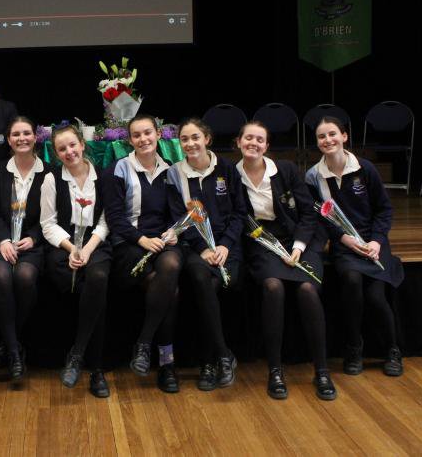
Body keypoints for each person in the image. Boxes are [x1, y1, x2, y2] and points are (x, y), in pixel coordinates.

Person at [235, 122, 335, 400]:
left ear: (266, 146)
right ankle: (275, 370)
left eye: (259, 139)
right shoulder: (233, 176)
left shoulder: (287, 170)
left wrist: (300, 247)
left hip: (298, 240)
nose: (253, 143)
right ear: (238, 143)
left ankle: (322, 371)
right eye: (248, 138)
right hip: (262, 243)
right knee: (273, 286)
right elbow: (238, 220)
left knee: (306, 289)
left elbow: (308, 213)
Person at [306, 116, 405, 377]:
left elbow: (384, 210)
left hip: (373, 241)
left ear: (344, 136)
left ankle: (392, 349)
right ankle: (354, 348)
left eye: (332, 134)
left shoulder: (366, 169)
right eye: (321, 136)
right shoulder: (314, 176)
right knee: (350, 280)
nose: (327, 140)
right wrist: (342, 238)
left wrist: (376, 241)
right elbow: (320, 216)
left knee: (375, 296)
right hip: (344, 244)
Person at [103, 114, 182, 394]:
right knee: (169, 292)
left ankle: (144, 345)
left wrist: (174, 232)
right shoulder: (118, 169)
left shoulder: (171, 169)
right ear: (130, 140)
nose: (143, 139)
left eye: (148, 133)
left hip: (163, 244)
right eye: (136, 135)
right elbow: (114, 217)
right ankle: (166, 363)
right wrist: (141, 239)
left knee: (171, 264)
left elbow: (178, 213)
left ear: (158, 134)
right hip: (129, 245)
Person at [167, 118, 243, 392]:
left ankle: (209, 361)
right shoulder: (175, 174)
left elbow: (239, 213)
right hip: (195, 249)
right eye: (185, 139)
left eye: (195, 137)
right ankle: (222, 356)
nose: (190, 144)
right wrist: (202, 249)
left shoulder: (227, 169)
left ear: (207, 139)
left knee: (212, 285)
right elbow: (179, 220)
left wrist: (223, 245)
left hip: (227, 248)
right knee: (200, 277)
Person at [40, 124, 112, 398]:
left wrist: (88, 248)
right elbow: (48, 224)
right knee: (94, 292)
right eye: (62, 149)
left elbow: (106, 221)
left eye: (72, 145)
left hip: (96, 241)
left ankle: (78, 355)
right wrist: (72, 248)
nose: (69, 152)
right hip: (64, 244)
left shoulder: (103, 177)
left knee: (98, 278)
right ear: (56, 154)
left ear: (82, 144)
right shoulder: (51, 180)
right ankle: (97, 370)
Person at [0, 116, 49, 382]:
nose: (22, 138)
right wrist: (3, 240)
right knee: (1, 276)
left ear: (35, 137)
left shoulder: (49, 172)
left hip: (31, 243)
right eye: (16, 134)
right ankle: (14, 352)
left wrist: (33, 237)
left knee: (25, 277)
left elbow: (51, 215)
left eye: (27, 133)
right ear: (8, 140)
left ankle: (8, 343)